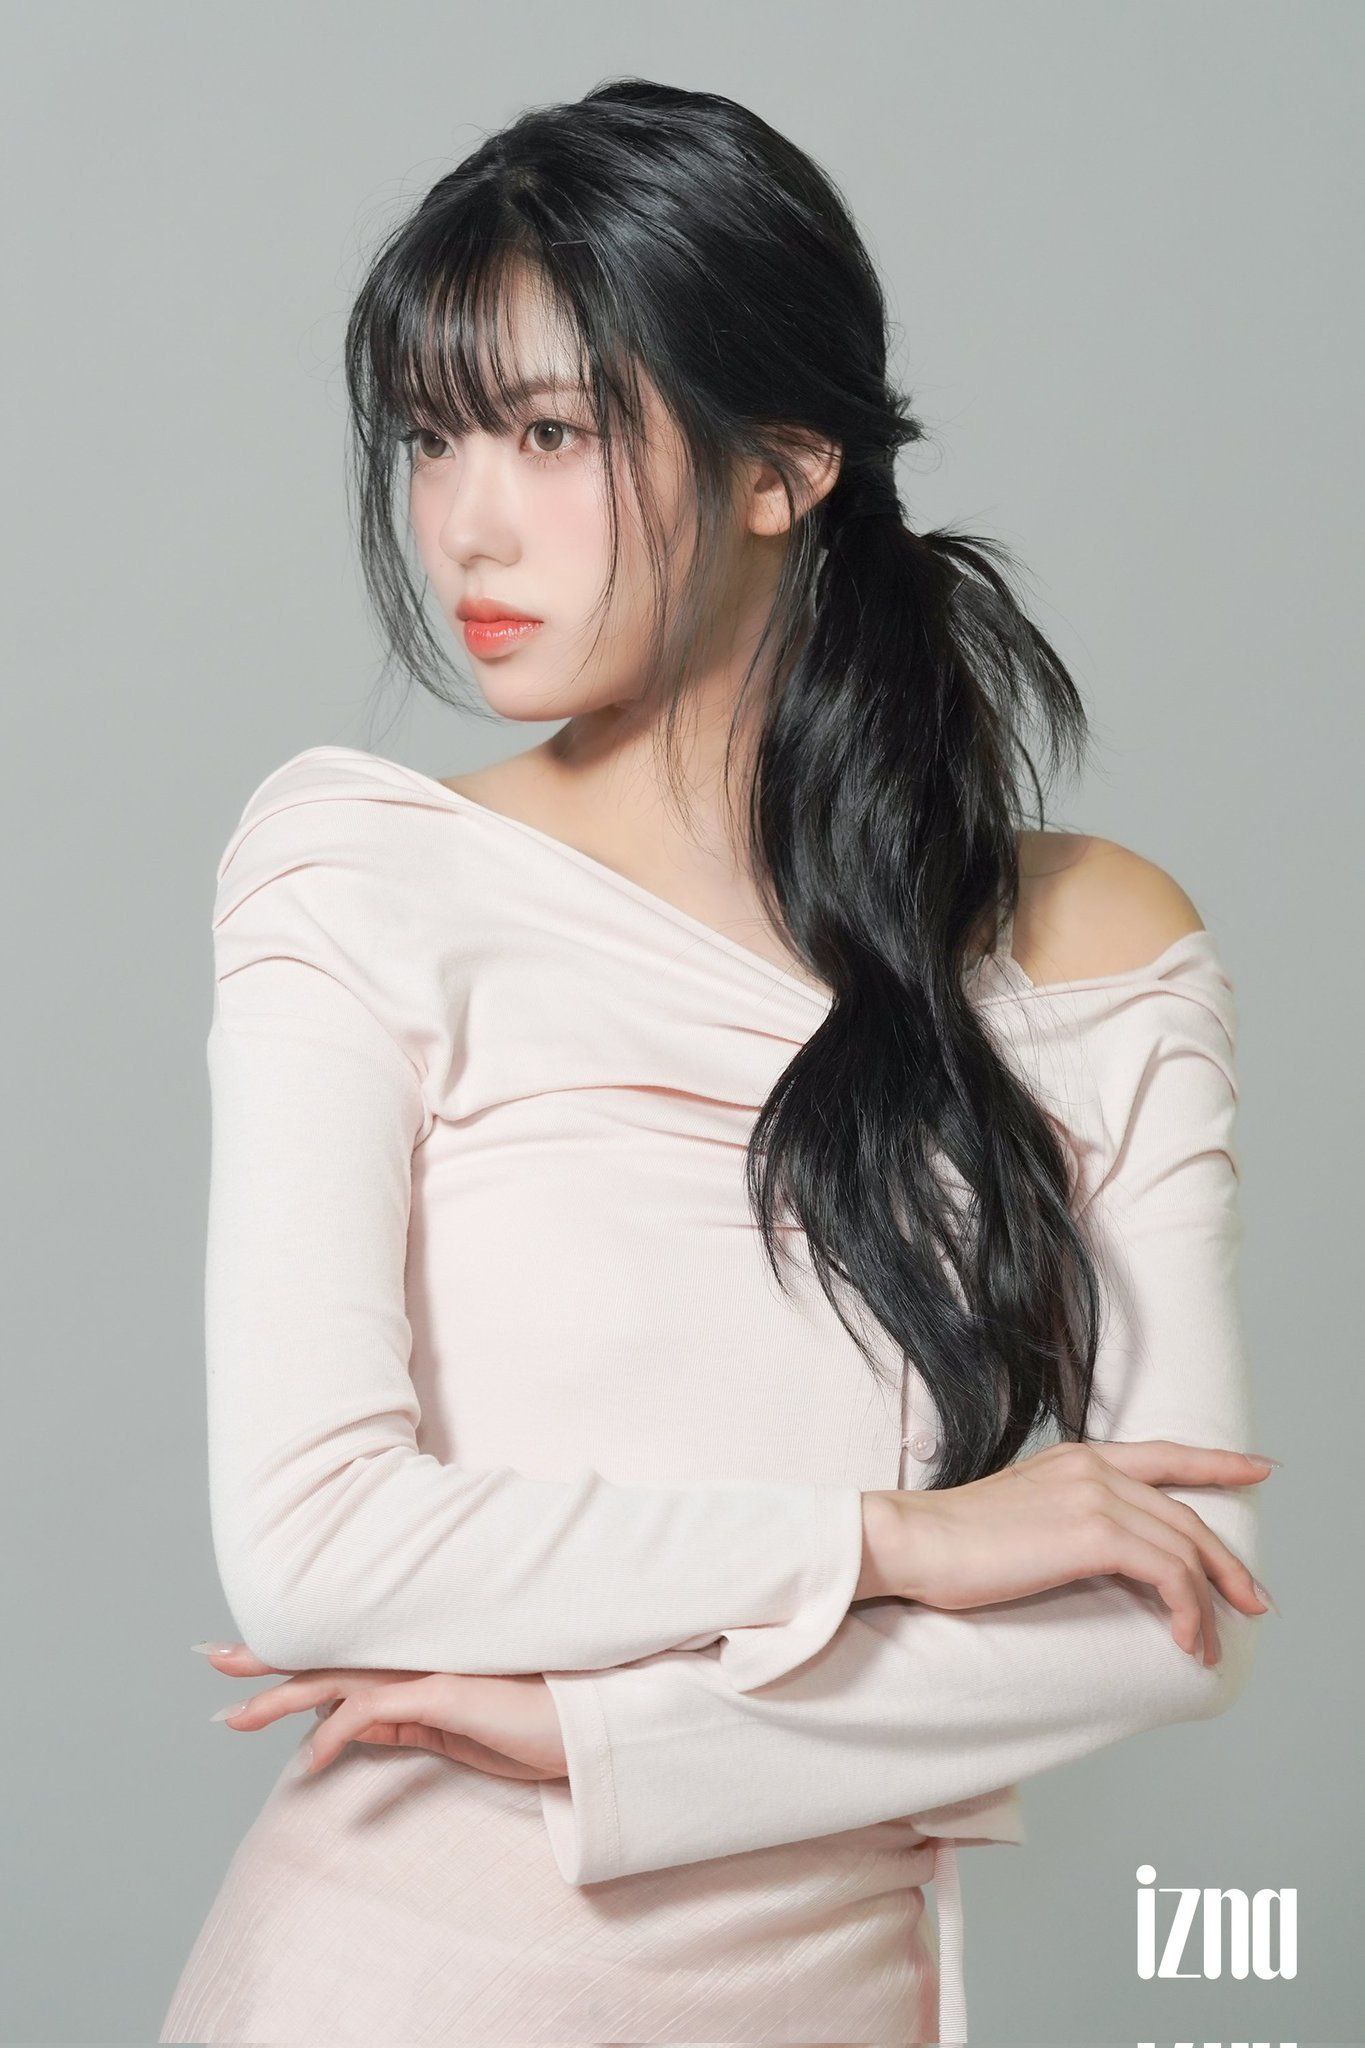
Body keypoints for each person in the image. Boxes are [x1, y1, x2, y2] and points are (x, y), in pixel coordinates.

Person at [159, 77, 1274, 2048]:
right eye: (428, 436)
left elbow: (1167, 1616)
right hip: (392, 1978)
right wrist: (899, 1545)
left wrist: (621, 1739)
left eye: (548, 433)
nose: (462, 520)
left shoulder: (1095, 949)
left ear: (783, 465)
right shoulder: (364, 875)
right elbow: (320, 1549)